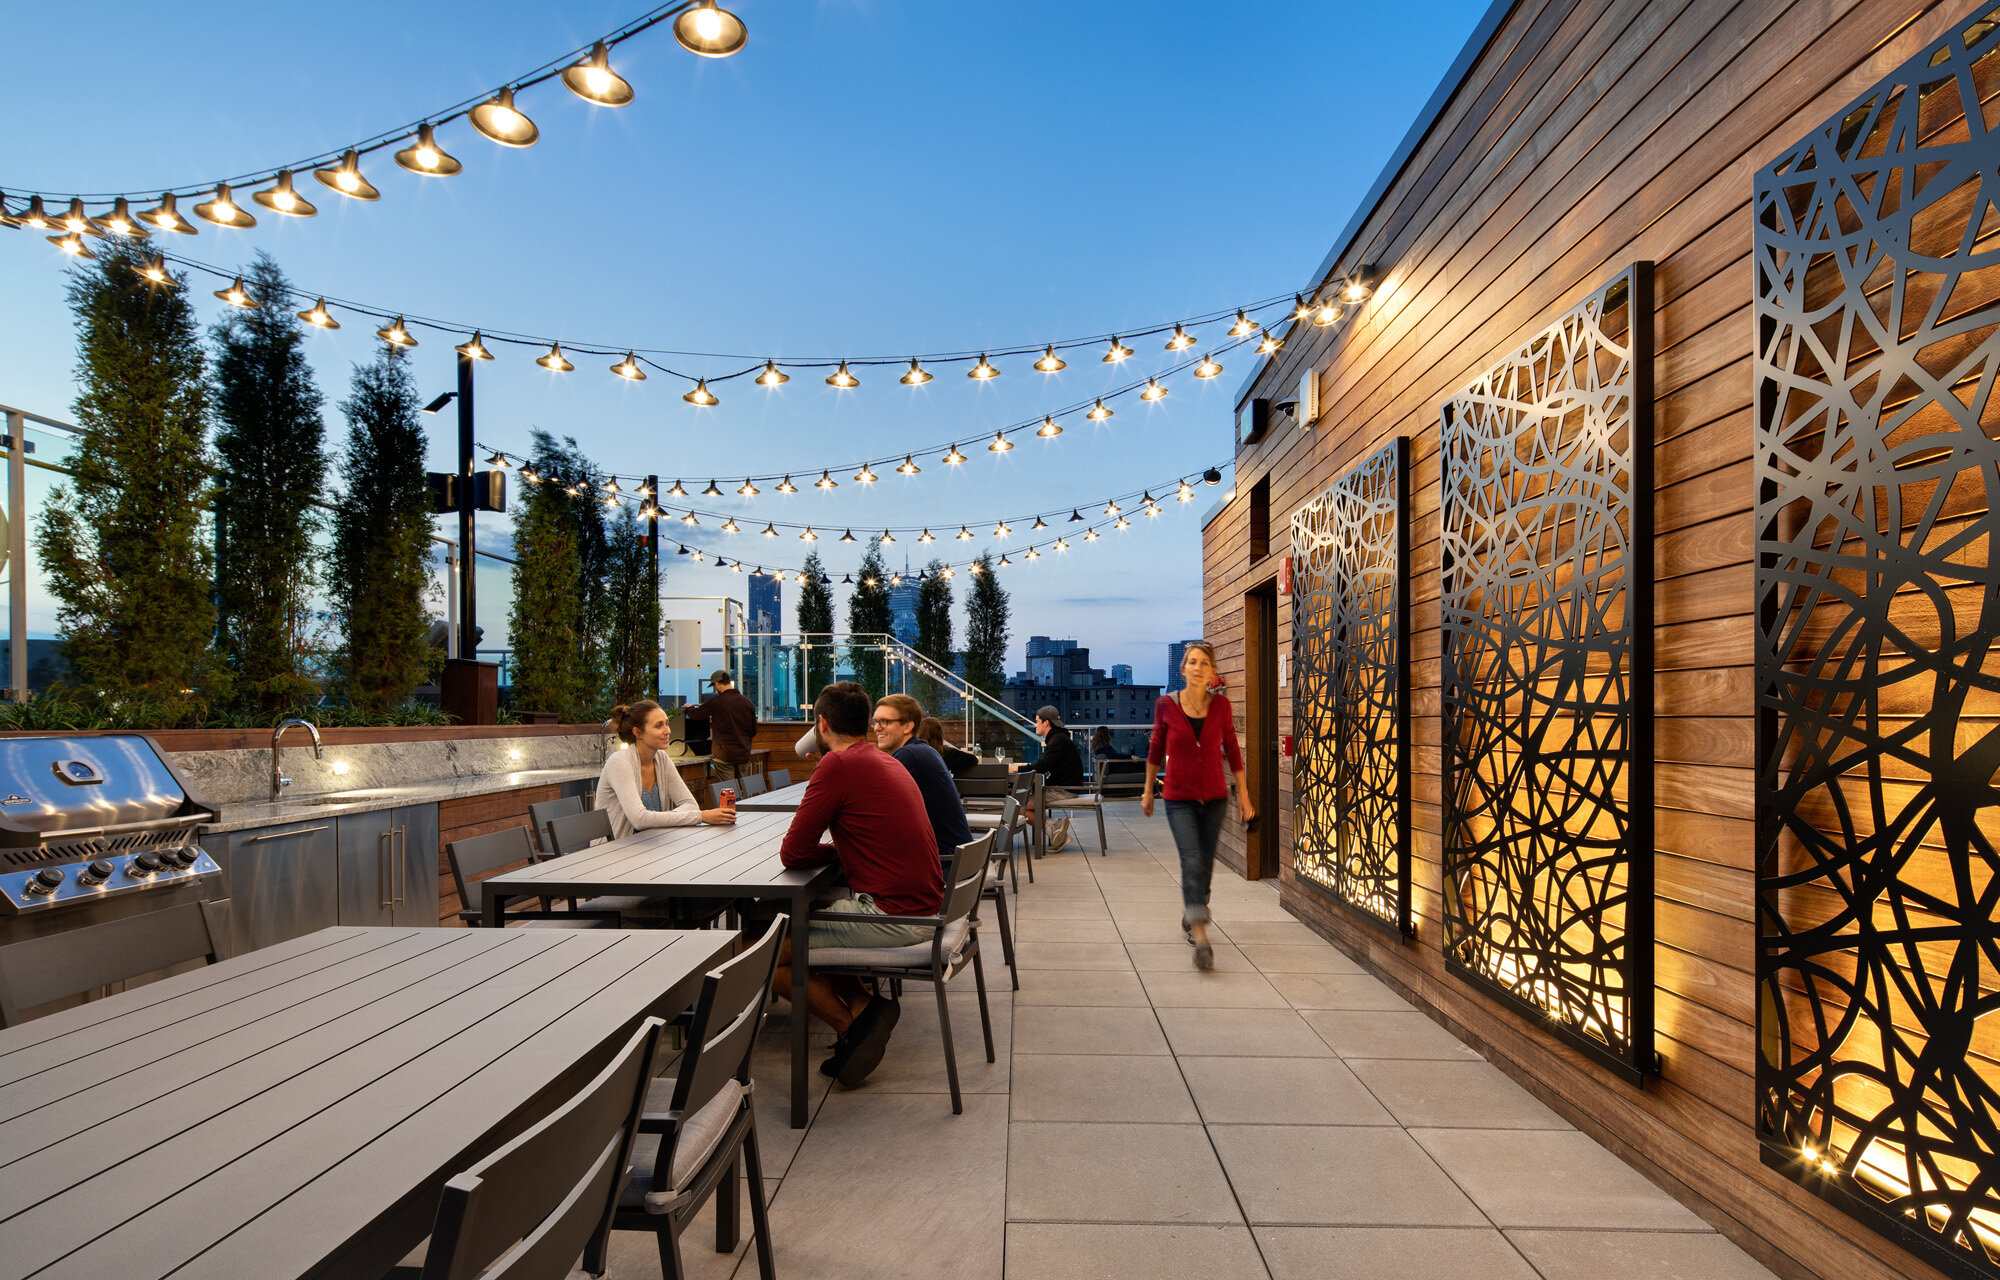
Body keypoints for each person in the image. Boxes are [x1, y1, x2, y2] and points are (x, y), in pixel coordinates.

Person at [774, 682, 944, 1086]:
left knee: (758, 951)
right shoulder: (886, 760)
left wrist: (836, 853)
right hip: (922, 906)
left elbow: (793, 854)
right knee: (809, 922)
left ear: (821, 724)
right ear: (866, 723)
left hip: (892, 916)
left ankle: (853, 1023)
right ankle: (863, 1004)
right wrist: (843, 852)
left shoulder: (837, 764)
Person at [1141, 641, 1252, 970]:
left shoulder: (1221, 708)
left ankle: (1193, 911)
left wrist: (1244, 795)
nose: (1198, 667)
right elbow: (1156, 749)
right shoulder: (1166, 705)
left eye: (1205, 663)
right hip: (1178, 799)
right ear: (1183, 669)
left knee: (1204, 868)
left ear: (1212, 671)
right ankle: (1201, 937)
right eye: (1192, 662)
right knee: (1191, 861)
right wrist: (1148, 790)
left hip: (1216, 797)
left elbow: (1232, 749)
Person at [596, 700, 737, 838]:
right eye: (659, 726)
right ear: (638, 733)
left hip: (652, 844)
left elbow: (690, 804)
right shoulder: (620, 761)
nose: (668, 731)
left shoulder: (661, 758)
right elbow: (639, 819)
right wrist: (701, 816)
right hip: (613, 851)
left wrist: (687, 816)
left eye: (667, 724)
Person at [876, 694, 973, 851]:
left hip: (945, 863)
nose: (877, 727)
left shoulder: (909, 755)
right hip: (959, 859)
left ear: (908, 726)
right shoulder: (923, 750)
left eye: (885, 721)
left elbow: (881, 810)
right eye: (876, 721)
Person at [1013, 705, 1084, 851]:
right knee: (1021, 807)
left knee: (1017, 807)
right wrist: (1047, 769)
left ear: (1046, 723)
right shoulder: (1058, 738)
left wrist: (1014, 768)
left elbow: (1040, 766)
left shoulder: (1057, 740)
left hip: (1064, 789)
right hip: (1064, 786)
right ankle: (1055, 829)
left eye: (1037, 721)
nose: (1035, 725)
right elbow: (1045, 765)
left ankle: (1054, 829)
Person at [684, 669, 758, 781]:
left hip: (724, 755)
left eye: (714, 685)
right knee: (743, 791)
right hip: (743, 754)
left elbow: (696, 715)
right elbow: (753, 730)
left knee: (728, 792)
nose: (715, 688)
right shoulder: (747, 702)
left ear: (717, 683)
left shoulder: (717, 701)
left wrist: (689, 708)